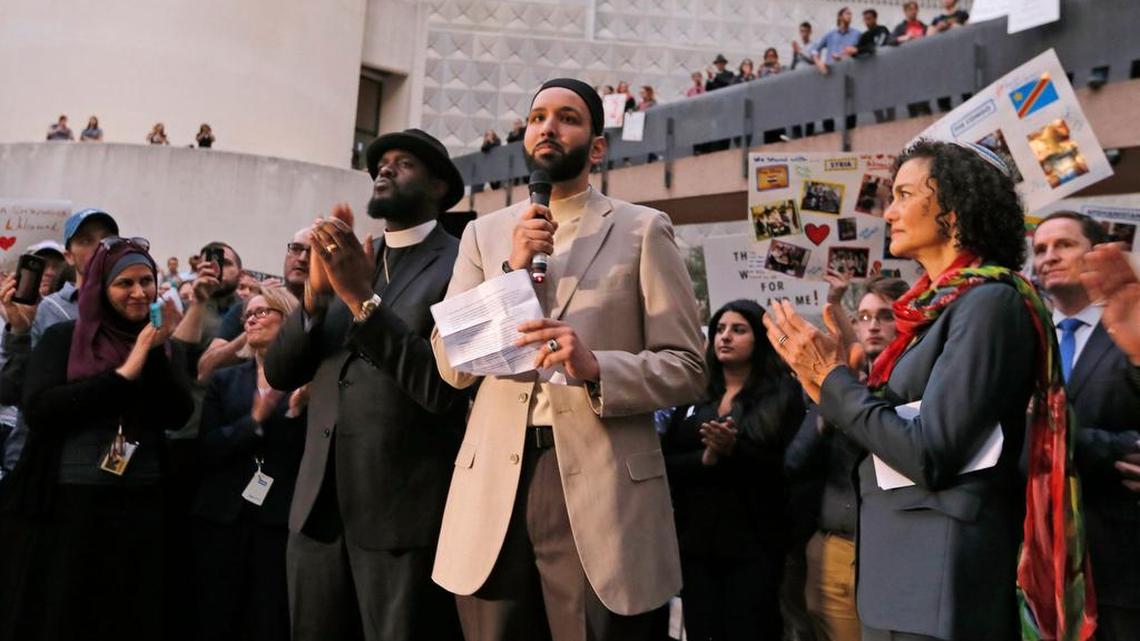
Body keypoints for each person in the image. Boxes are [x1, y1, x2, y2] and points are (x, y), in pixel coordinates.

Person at [762, 140, 1095, 641]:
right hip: (901, 579)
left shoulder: (990, 304)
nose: (889, 212)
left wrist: (833, 379)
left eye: (903, 194)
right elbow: (877, 436)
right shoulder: (932, 312)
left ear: (954, 208)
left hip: (943, 580)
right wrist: (824, 382)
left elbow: (930, 452)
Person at [429, 77, 706, 641]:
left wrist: (598, 366)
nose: (548, 128)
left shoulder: (642, 229)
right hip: (493, 489)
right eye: (536, 118)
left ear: (596, 146)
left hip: (599, 485)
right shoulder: (483, 236)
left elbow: (687, 366)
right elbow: (451, 365)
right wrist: (510, 272)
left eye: (567, 117)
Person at [264, 127, 467, 641]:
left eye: (404, 163)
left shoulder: (465, 263)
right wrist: (313, 297)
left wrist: (360, 300)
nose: (385, 169)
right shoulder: (353, 258)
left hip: (401, 518)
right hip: (317, 512)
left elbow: (443, 389)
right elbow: (280, 373)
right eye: (381, 162)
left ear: (440, 187)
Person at [10, 237, 192, 641]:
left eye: (147, 281)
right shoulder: (65, 338)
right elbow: (40, 408)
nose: (139, 292)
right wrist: (125, 374)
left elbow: (177, 414)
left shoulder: (162, 344)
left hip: (141, 501)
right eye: (124, 283)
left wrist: (154, 355)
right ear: (100, 288)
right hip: (71, 503)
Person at [662, 300, 805, 641]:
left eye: (738, 330)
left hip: (755, 545)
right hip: (695, 544)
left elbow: (789, 467)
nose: (725, 337)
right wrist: (706, 458)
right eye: (720, 330)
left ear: (759, 338)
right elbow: (665, 462)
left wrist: (734, 451)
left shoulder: (782, 394)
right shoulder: (694, 392)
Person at [1032, 211, 1140, 641]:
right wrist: (1120, 448)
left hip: (1121, 572)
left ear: (1094, 255)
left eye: (1064, 245)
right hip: (1039, 574)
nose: (1049, 257)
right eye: (1040, 250)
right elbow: (1023, 442)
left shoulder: (1132, 329)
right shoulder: (1026, 337)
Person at [785, 274, 908, 641]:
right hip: (836, 550)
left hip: (896, 551)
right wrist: (832, 399)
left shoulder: (918, 383)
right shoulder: (837, 383)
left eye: (885, 315)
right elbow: (795, 460)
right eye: (865, 317)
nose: (873, 326)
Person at [191, 286, 306, 641]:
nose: (251, 318)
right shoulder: (225, 380)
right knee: (216, 615)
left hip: (278, 520)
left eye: (263, 311)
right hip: (223, 516)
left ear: (288, 319)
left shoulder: (307, 382)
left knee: (267, 617)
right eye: (248, 314)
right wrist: (253, 421)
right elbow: (206, 448)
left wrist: (296, 412)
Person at [0, 209, 120, 476]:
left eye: (106, 240)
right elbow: (14, 389)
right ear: (69, 255)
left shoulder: (132, 307)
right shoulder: (50, 310)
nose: (99, 248)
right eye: (86, 240)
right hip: (48, 458)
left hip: (110, 460)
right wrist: (20, 331)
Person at [195, 230, 311, 382]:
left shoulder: (335, 313)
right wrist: (258, 323)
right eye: (296, 249)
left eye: (312, 252)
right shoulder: (248, 309)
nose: (302, 258)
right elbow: (205, 370)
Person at [810, 7, 861, 74]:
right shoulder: (830, 35)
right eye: (847, 14)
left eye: (850, 14)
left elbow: (863, 49)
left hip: (849, 72)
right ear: (840, 17)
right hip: (831, 73)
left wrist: (849, 54)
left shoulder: (857, 34)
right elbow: (814, 50)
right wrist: (819, 63)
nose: (850, 16)